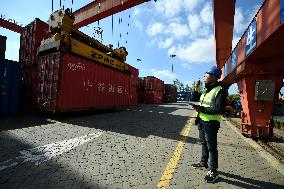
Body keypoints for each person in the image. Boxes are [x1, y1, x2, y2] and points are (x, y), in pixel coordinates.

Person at [191, 66, 227, 183]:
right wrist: (196, 89)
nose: (204, 77)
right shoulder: (206, 90)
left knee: (212, 147)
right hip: (201, 121)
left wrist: (202, 110)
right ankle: (203, 162)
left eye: (206, 75)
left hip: (211, 122)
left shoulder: (220, 90)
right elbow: (194, 100)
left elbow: (220, 109)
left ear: (213, 77)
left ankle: (213, 171)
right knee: (203, 143)